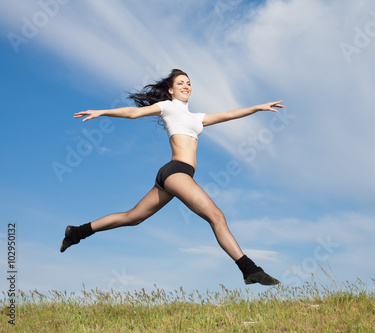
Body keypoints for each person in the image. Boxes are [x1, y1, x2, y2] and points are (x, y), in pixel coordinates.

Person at [60, 69, 283, 286]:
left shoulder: (197, 117)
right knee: (216, 216)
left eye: (188, 83)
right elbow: (133, 112)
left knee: (133, 217)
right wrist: (102, 112)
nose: (185, 86)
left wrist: (258, 107)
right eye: (180, 83)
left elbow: (227, 115)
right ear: (171, 90)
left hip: (177, 175)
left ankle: (77, 232)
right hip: (175, 171)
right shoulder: (167, 107)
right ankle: (250, 270)